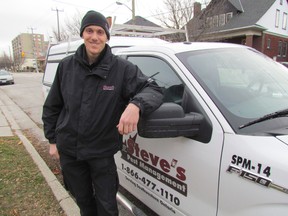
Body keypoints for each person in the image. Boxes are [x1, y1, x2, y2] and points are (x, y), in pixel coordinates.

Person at [42, 10, 163, 216]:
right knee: (83, 201)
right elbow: (53, 106)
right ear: (82, 34)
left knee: (107, 206)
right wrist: (53, 141)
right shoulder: (66, 66)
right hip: (70, 152)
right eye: (89, 31)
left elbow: (154, 89)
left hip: (101, 154)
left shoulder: (122, 69)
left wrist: (136, 105)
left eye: (100, 32)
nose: (94, 36)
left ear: (107, 37)